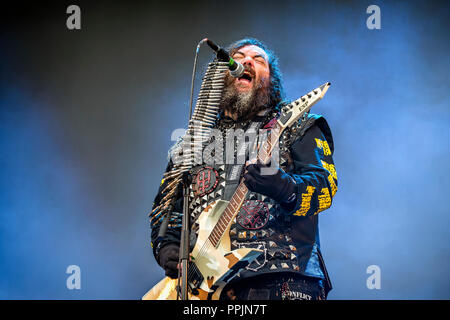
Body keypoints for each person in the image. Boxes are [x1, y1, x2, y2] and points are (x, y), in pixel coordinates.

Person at [150, 38, 338, 300]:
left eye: (258, 60)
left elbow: (326, 188)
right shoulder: (193, 142)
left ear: (272, 82)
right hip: (202, 289)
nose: (247, 61)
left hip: (281, 279)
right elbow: (167, 209)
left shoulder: (298, 126)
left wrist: (283, 186)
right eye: (238, 57)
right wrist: (167, 246)